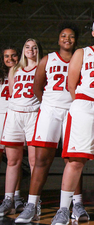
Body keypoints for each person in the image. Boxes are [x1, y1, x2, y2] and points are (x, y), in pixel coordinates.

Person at [14, 23, 89, 223]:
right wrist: (50, 103)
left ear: (75, 40)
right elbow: (37, 88)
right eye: (63, 36)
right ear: (58, 39)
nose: (67, 39)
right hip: (50, 112)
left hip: (74, 111)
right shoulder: (48, 59)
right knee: (41, 161)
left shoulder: (81, 58)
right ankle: (32, 205)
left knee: (74, 161)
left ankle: (77, 204)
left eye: (71, 36)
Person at [51, 17, 94, 225]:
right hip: (85, 106)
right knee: (76, 161)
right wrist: (82, 105)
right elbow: (72, 85)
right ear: (93, 33)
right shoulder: (82, 52)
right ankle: (63, 209)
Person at [0, 38, 42, 216]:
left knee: (34, 162)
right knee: (12, 161)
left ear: (38, 50)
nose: (30, 50)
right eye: (27, 47)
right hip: (15, 114)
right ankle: (8, 199)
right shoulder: (15, 69)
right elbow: (11, 92)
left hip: (33, 114)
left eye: (34, 47)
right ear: (23, 50)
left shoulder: (42, 69)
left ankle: (34, 202)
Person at [0, 46, 25, 213]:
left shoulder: (24, 73)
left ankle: (16, 196)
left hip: (15, 117)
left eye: (13, 55)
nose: (10, 59)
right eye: (6, 56)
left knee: (13, 160)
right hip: (0, 117)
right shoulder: (1, 77)